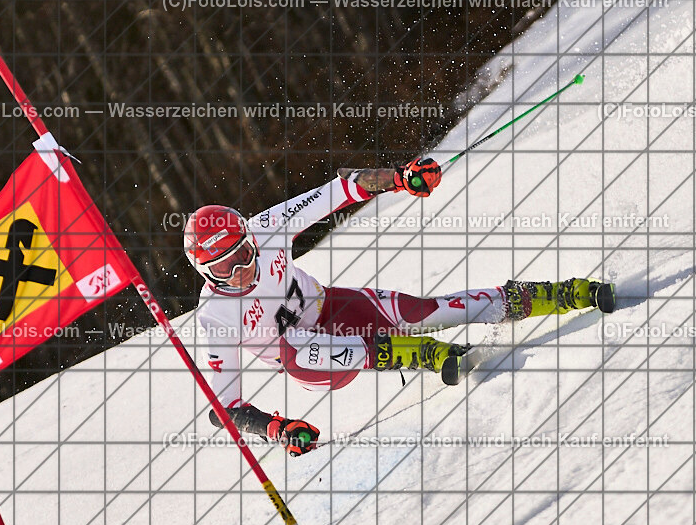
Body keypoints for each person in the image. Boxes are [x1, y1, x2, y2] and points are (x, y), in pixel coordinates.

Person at [185, 158, 615, 456]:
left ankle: (558, 294)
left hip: (333, 307)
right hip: (312, 363)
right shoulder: (215, 317)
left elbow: (339, 189)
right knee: (295, 345)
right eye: (224, 268)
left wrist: (400, 178)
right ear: (205, 272)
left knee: (426, 311)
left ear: (249, 238)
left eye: (243, 254)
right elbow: (224, 409)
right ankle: (420, 354)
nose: (240, 270)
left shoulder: (266, 229)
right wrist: (279, 430)